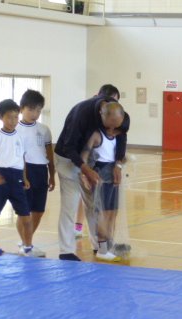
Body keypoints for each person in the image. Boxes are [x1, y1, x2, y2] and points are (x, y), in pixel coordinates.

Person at [54, 85, 126, 261]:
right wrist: (84, 170)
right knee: (70, 204)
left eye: (115, 127)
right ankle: (66, 250)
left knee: (94, 205)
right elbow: (69, 147)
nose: (111, 131)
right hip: (67, 158)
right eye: (109, 126)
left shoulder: (117, 113)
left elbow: (122, 135)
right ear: (102, 113)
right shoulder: (82, 113)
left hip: (91, 161)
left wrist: (118, 165)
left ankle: (99, 247)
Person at [0, 99, 36, 257]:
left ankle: (28, 247)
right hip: (1, 179)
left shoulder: (20, 137)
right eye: (9, 117)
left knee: (26, 217)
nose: (13, 121)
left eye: (15, 117)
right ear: (0, 117)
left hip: (17, 179)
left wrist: (24, 178)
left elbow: (22, 158)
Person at [79, 102, 129, 262]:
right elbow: (84, 157)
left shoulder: (118, 136)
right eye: (111, 124)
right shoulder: (96, 135)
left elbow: (118, 155)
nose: (113, 128)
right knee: (101, 213)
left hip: (113, 177)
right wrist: (84, 175)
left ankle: (108, 244)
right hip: (100, 176)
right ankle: (102, 248)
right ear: (104, 117)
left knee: (112, 212)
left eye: (117, 125)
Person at [16, 89, 55, 257]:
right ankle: (27, 245)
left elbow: (49, 154)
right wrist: (22, 176)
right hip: (24, 171)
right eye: (31, 109)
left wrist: (52, 174)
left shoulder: (44, 129)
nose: (35, 113)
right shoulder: (16, 129)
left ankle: (26, 242)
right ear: (22, 108)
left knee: (38, 211)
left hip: (41, 171)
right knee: (24, 212)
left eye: (39, 110)